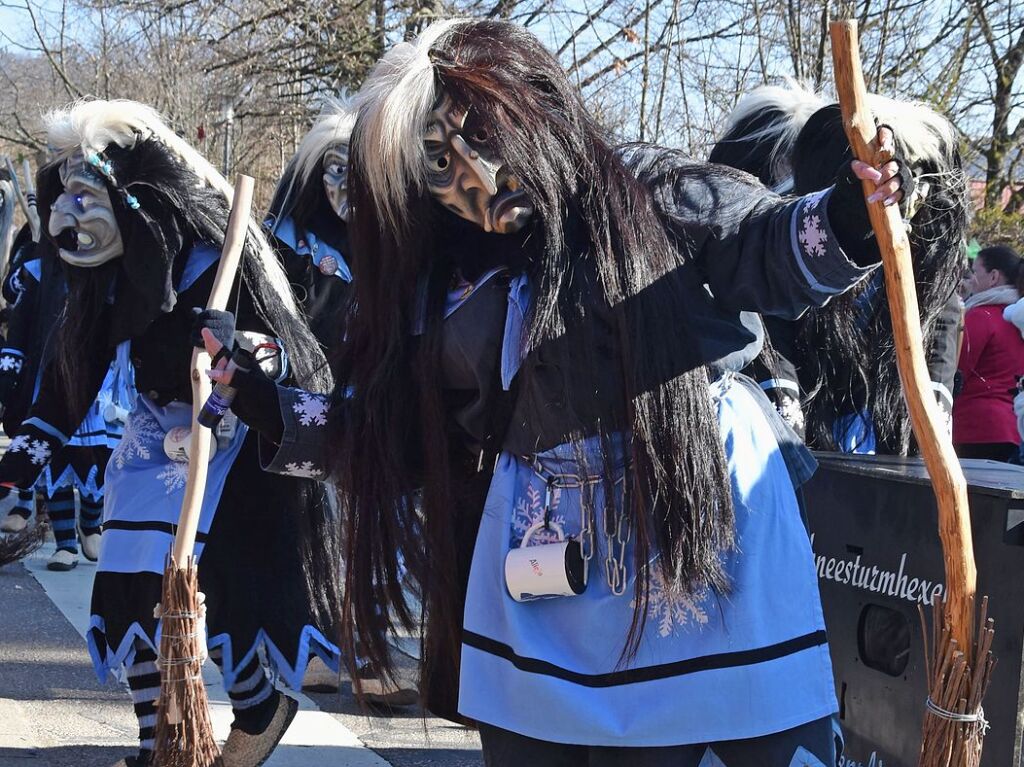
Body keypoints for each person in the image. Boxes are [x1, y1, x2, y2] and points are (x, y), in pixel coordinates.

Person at [200, 19, 911, 765]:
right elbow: (395, 434)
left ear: (530, 108)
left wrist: (850, 218)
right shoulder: (442, 285)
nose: (471, 175)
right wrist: (258, 398)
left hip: (701, 540)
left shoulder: (652, 194)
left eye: (480, 139)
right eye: (436, 163)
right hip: (543, 576)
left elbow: (766, 244)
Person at [0, 99, 341, 767]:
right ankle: (163, 742)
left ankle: (258, 708)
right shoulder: (105, 284)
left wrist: (231, 362)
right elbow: (67, 391)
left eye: (87, 195)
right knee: (130, 585)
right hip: (156, 436)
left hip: (232, 441)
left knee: (223, 592)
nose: (71, 216)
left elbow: (280, 359)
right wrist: (15, 467)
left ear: (136, 201)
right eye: (63, 197)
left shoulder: (220, 260)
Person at [708, 81, 968, 454]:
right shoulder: (780, 232)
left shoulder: (923, 262)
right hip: (790, 389)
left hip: (867, 407)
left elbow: (936, 327)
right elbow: (770, 318)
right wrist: (786, 434)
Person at [265, 96, 418, 706]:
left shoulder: (394, 241)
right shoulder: (286, 240)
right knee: (316, 527)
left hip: (373, 399)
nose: (344, 187)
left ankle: (369, 648)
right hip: (307, 398)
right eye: (333, 171)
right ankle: (319, 649)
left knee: (374, 523)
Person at [0, 230, 133, 571]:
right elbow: (18, 321)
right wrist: (8, 374)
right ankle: (66, 543)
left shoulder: (122, 268)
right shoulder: (39, 269)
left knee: (101, 460)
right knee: (56, 458)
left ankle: (91, 524)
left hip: (108, 382)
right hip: (54, 378)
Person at [953, 246, 1024, 460]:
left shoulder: (981, 316)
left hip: (975, 428)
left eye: (975, 272)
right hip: (1012, 428)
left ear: (993, 277)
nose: (971, 279)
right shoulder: (1017, 319)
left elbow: (956, 371)